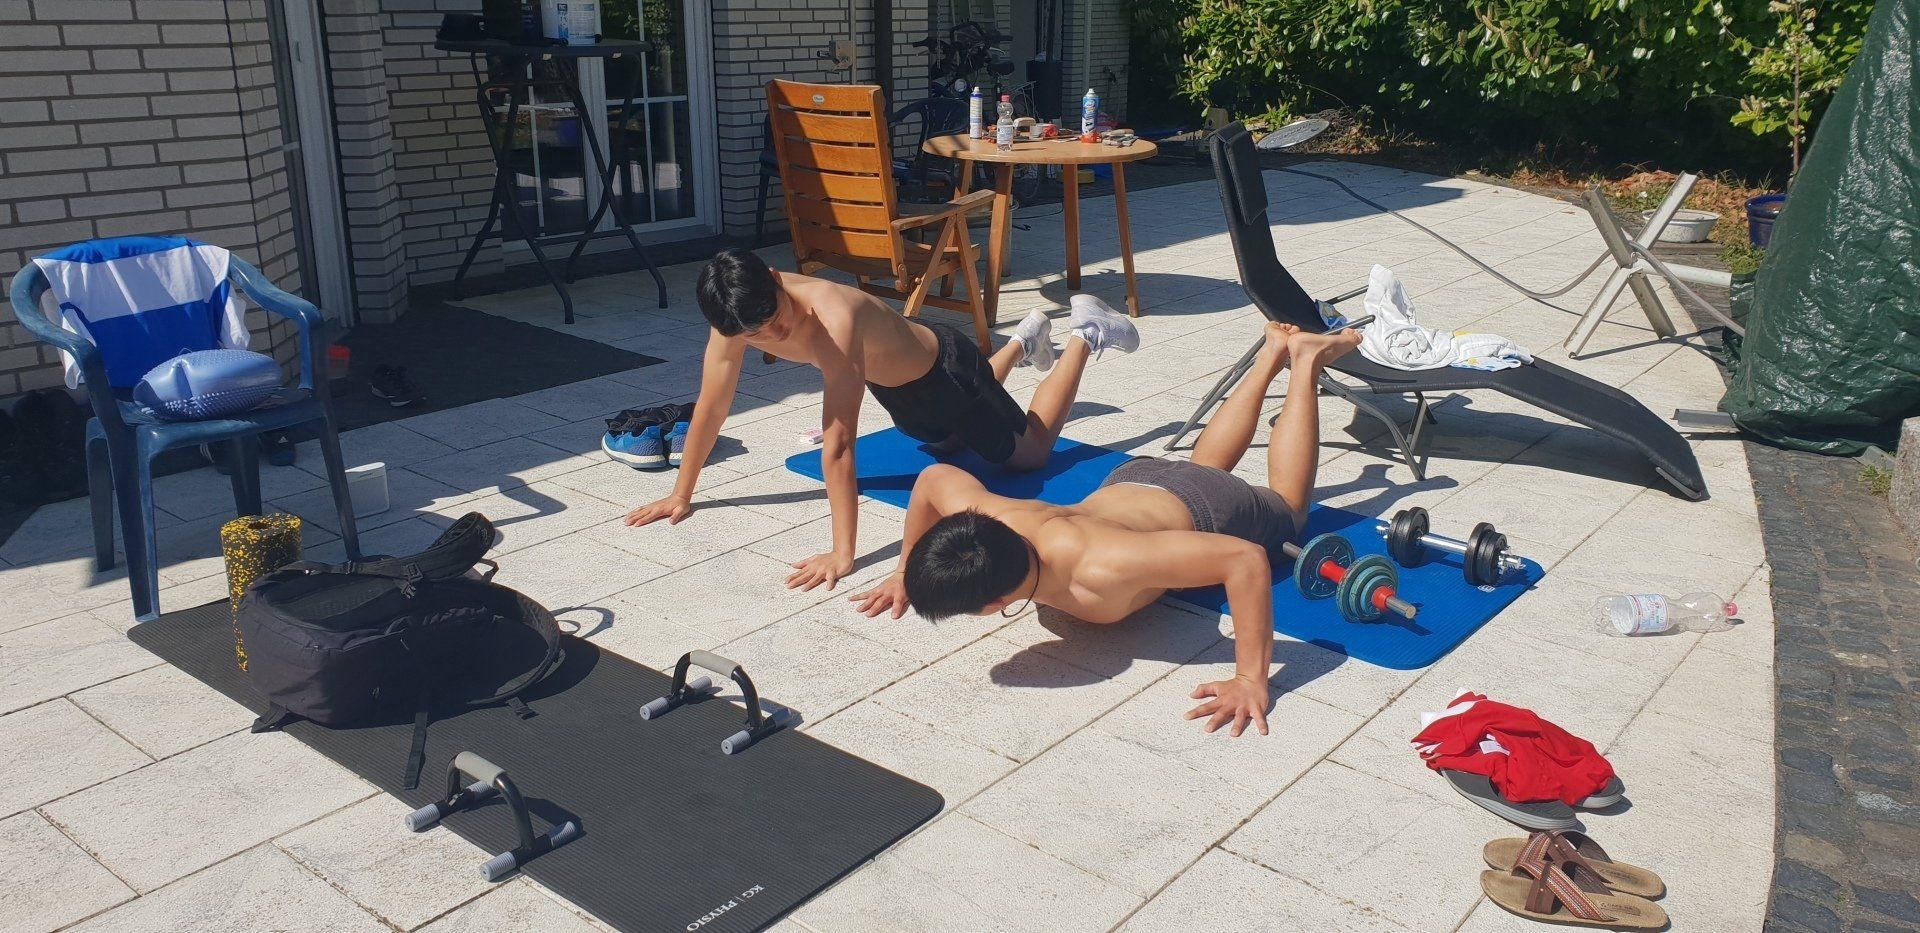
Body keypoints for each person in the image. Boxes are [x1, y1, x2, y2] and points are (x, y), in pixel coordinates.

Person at [850, 322, 1364, 737]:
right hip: (1133, 480)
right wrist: (905, 572)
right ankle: (1269, 352)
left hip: (1205, 507)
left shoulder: (1103, 570)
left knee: (1290, 509)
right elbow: (934, 479)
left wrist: (1251, 677)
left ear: (993, 605)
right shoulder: (996, 517)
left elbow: (1242, 560)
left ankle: (1304, 362)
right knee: (1203, 468)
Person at [623, 247, 1138, 590]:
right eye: (757, 334)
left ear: (777, 279)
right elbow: (712, 406)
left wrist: (842, 554)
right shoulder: (736, 317)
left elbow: (839, 444)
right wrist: (681, 493)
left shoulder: (833, 317)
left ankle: (1085, 333)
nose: (775, 335)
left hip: (947, 373)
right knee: (949, 444)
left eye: (776, 317)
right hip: (900, 386)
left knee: (1030, 455)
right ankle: (1023, 342)